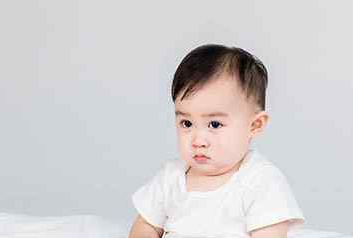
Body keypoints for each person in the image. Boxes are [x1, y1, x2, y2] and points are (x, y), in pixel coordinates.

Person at [128, 44, 305, 238]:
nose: (198, 140)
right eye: (187, 123)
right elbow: (146, 224)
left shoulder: (261, 181)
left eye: (214, 124)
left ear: (254, 125)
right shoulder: (171, 178)